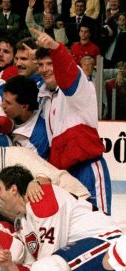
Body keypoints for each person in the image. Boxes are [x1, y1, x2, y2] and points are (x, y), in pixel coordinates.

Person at [33, 28, 111, 215]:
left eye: (50, 63)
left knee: (100, 224)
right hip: (64, 175)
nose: (45, 69)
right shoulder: (45, 96)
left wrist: (55, 47)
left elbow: (68, 73)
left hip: (87, 169)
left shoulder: (78, 86)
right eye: (41, 64)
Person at [0, 132, 89, 221]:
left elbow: (48, 177)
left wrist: (36, 183)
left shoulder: (17, 155)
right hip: (41, 223)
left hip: (76, 206)